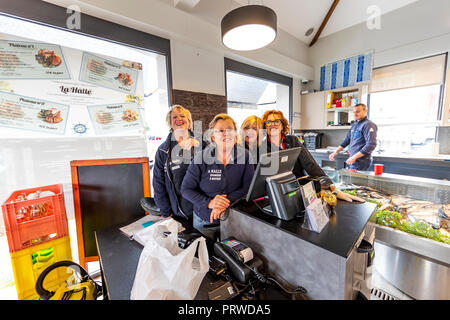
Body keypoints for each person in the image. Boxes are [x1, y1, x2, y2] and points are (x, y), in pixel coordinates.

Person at [181, 114, 254, 240]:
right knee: (205, 256)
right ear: (213, 137)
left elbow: (248, 188)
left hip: (234, 219)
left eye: (229, 130)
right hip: (205, 221)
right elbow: (186, 189)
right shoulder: (201, 158)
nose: (226, 133)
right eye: (220, 130)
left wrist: (223, 203)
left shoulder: (246, 156)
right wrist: (209, 203)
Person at [152, 105, 204, 221]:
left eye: (182, 116)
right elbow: (158, 183)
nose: (179, 119)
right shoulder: (163, 150)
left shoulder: (203, 143)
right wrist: (165, 211)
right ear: (170, 123)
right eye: (174, 117)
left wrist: (199, 145)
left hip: (204, 210)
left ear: (189, 121)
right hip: (179, 213)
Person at [261, 109, 333, 187]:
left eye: (276, 121)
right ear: (265, 127)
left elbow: (309, 164)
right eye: (268, 122)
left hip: (298, 186)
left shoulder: (293, 141)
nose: (272, 124)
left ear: (282, 126)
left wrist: (326, 181)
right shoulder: (262, 147)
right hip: (276, 189)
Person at [329, 103, 377, 171]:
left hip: (361, 161)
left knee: (355, 181)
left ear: (365, 111)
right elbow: (347, 140)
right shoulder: (355, 124)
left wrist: (354, 157)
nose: (355, 114)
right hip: (354, 160)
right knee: (352, 180)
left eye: (358, 111)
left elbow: (371, 145)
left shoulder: (368, 124)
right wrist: (336, 152)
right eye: (354, 112)